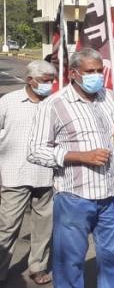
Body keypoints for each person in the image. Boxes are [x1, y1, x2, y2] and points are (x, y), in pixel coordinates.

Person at [27, 48, 114, 288]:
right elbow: (35, 150)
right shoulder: (54, 104)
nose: (96, 76)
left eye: (99, 71)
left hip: (112, 195)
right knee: (69, 262)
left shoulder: (110, 98)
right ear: (73, 73)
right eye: (90, 71)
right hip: (75, 196)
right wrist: (80, 156)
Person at [0, 61, 56, 285]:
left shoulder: (54, 103)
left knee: (44, 227)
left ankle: (37, 267)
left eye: (52, 80)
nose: (49, 85)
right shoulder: (8, 102)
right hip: (14, 175)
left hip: (47, 175)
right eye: (44, 81)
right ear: (29, 80)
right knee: (8, 227)